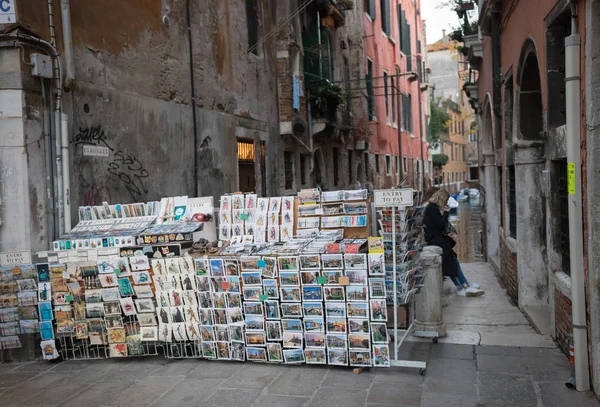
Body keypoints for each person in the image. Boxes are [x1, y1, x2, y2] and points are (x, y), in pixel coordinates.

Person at [422, 189, 484, 297]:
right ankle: (463, 286)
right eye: (445, 200)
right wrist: (446, 212)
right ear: (441, 199)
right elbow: (440, 224)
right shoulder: (432, 209)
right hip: (437, 242)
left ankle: (464, 285)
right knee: (452, 263)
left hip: (438, 241)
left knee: (452, 263)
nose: (446, 203)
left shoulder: (431, 208)